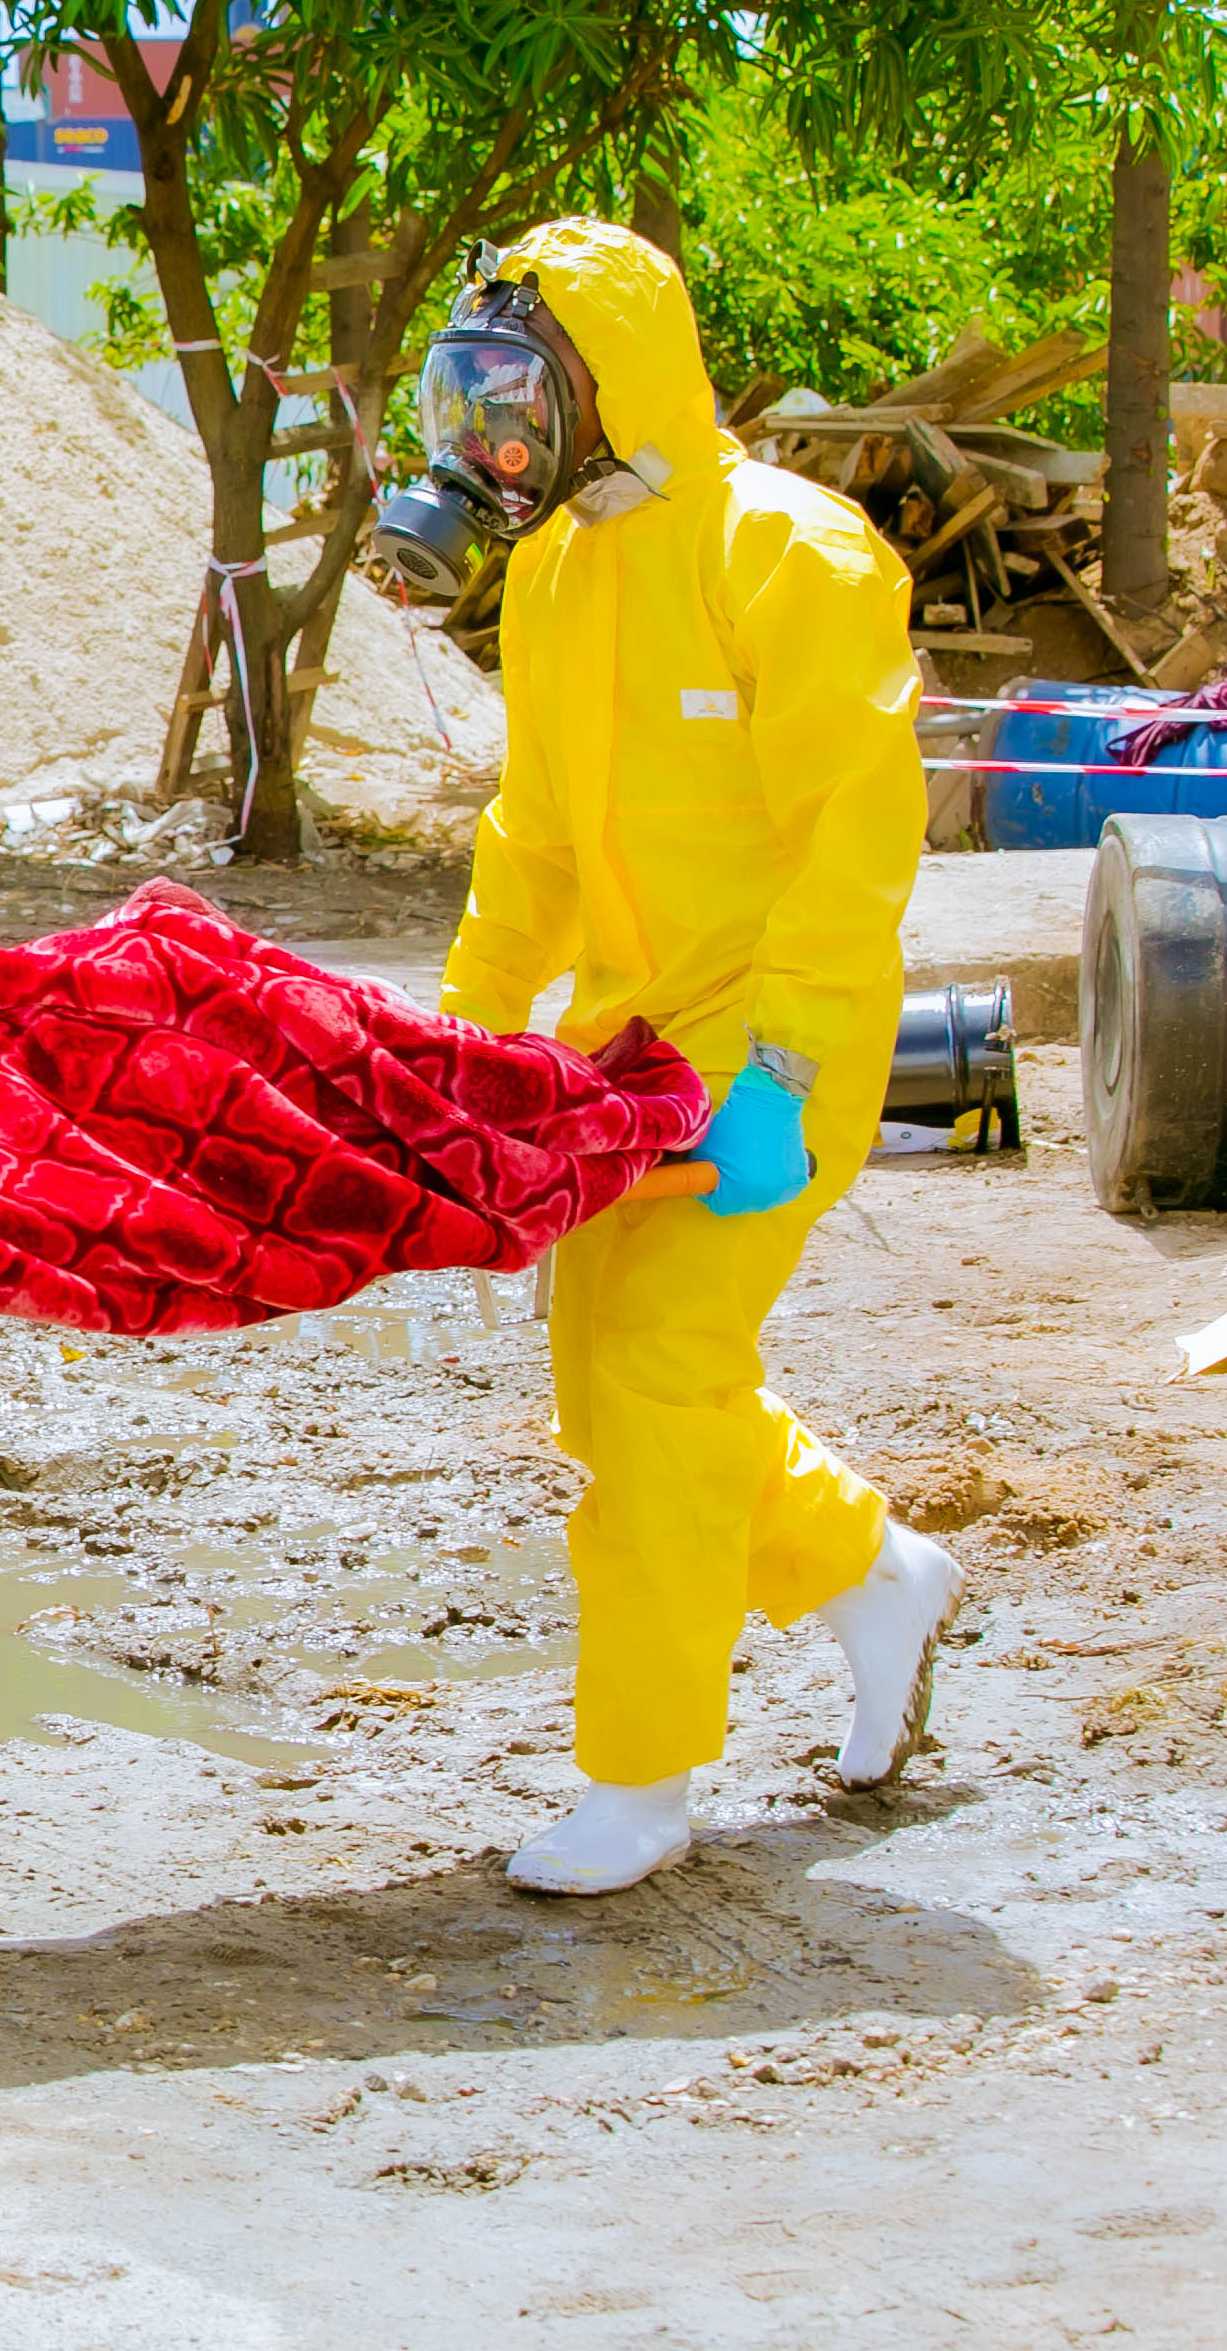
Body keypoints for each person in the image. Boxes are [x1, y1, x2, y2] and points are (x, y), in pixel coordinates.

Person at [415, 217, 966, 1896]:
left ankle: (642, 1777)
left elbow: (856, 846)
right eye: (472, 400)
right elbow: (536, 842)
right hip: (624, 1047)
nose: (489, 439)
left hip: (773, 1049)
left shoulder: (794, 555)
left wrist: (786, 1074)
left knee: (653, 1380)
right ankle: (871, 1570)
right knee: (621, 1376)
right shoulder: (569, 572)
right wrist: (451, 1041)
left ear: (616, 383)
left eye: (519, 396)